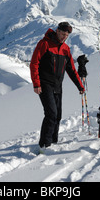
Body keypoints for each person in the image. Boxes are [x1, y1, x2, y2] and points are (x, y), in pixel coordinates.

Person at [30, 21, 85, 152]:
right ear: (57, 31)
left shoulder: (65, 49)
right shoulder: (44, 44)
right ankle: (44, 144)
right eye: (62, 34)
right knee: (51, 113)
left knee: (58, 115)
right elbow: (34, 64)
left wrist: (80, 86)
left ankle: (53, 141)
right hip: (44, 84)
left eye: (67, 35)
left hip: (58, 85)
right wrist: (36, 84)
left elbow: (71, 69)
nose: (64, 37)